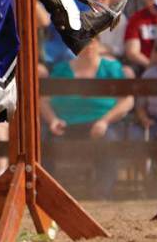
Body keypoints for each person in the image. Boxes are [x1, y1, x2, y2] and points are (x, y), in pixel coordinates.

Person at [40, 42, 133, 199]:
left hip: (100, 124)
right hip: (65, 124)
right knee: (45, 141)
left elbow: (128, 100)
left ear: (98, 44)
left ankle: (102, 195)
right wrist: (52, 120)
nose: (88, 46)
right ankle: (50, 195)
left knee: (109, 141)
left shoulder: (111, 68)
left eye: (91, 42)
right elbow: (43, 99)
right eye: (83, 43)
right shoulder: (62, 69)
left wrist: (105, 121)